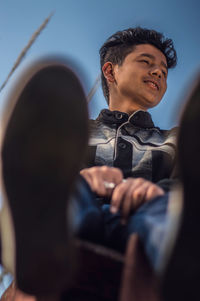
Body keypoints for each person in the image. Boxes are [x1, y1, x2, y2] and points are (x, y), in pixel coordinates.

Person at [0, 27, 199, 300]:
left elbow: (185, 184)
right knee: (67, 195)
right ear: (110, 71)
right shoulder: (71, 130)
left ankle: (183, 257)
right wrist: (78, 178)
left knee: (168, 210)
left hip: (148, 222)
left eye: (164, 70)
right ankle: (37, 253)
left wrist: (159, 191)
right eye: (146, 62)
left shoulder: (178, 140)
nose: (158, 72)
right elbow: (43, 173)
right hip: (76, 216)